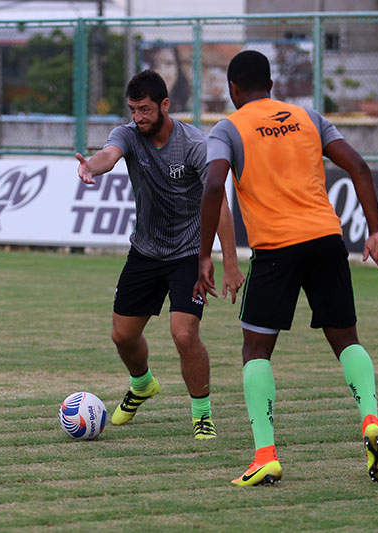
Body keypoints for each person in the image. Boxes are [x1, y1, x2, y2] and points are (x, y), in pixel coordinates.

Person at [193, 51, 378, 484]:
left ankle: (265, 454)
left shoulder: (229, 128)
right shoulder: (309, 118)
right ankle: (370, 421)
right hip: (326, 241)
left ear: (233, 89)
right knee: (347, 341)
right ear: (271, 83)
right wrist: (374, 231)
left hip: (276, 250)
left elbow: (213, 185)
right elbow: (358, 166)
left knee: (255, 352)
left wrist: (204, 253)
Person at [77, 70, 244, 440]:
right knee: (122, 336)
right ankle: (142, 385)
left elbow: (220, 206)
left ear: (165, 105)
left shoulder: (195, 145)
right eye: (133, 110)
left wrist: (229, 262)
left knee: (184, 334)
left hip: (188, 255)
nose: (138, 118)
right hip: (145, 252)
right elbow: (108, 155)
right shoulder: (128, 135)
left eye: (145, 109)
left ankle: (202, 413)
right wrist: (91, 166)